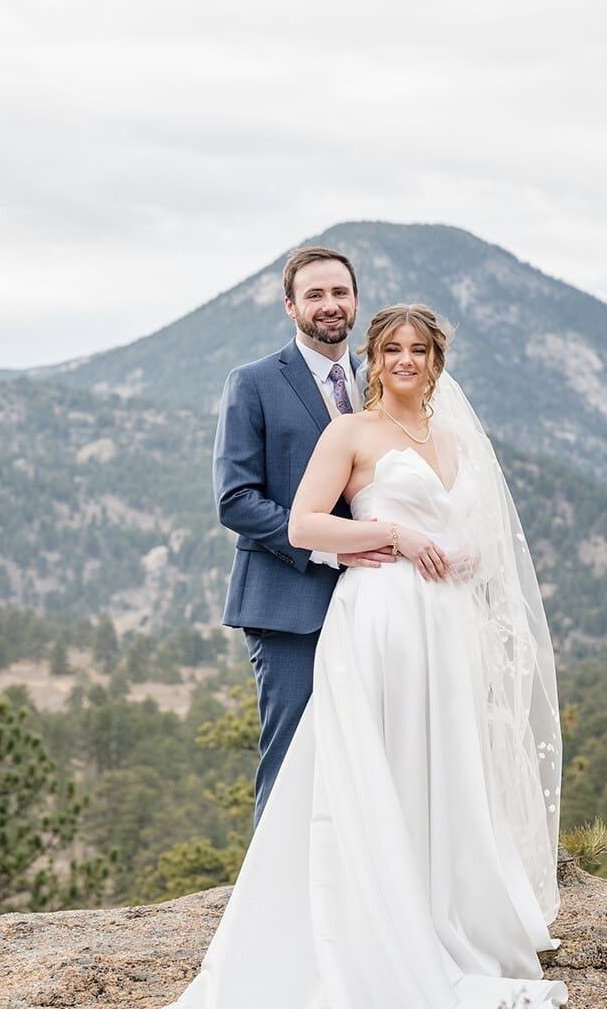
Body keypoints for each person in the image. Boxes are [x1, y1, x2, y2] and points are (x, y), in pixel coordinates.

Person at [169, 303, 568, 1008]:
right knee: (376, 759)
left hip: (447, 623)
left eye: (418, 349)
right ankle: (373, 918)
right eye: (391, 350)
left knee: (443, 759)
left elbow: (481, 533)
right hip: (381, 613)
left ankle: (444, 909)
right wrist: (391, 533)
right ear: (372, 360)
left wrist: (469, 552)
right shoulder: (350, 432)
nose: (405, 360)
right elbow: (302, 522)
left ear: (436, 360)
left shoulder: (456, 439)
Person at [212, 246, 397, 830]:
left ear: (357, 301)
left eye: (339, 293)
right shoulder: (254, 384)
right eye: (314, 295)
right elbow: (235, 499)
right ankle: (275, 902)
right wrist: (327, 544)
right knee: (293, 753)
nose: (329, 305)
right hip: (288, 603)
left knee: (370, 752)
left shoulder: (381, 386)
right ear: (290, 306)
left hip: (376, 600)